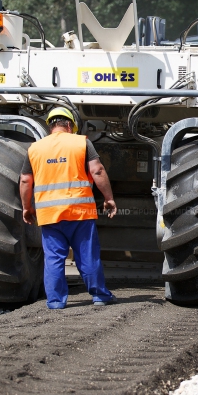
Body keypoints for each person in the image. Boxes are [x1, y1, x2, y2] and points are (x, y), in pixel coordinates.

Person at [19, 107, 118, 309]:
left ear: (50, 126)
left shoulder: (35, 148)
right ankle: (99, 296)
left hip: (49, 216)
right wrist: (108, 198)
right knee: (87, 255)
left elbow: (25, 181)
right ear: (69, 124)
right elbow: (97, 170)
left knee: (54, 259)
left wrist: (26, 207)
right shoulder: (82, 143)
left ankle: (55, 301)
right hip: (79, 212)